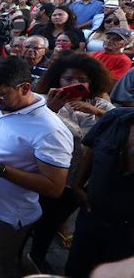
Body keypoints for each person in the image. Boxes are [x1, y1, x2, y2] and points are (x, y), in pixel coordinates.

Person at [0, 57, 73, 278]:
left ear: (25, 88)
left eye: (1, 94)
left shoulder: (50, 130)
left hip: (5, 215)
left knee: (3, 265)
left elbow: (54, 187)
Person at [29, 52, 115, 273]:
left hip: (82, 178)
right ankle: (30, 253)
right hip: (50, 173)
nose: (75, 84)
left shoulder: (100, 104)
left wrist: (96, 112)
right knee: (40, 216)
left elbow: (118, 127)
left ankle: (39, 252)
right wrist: (51, 110)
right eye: (69, 79)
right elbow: (32, 132)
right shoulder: (43, 101)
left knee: (58, 217)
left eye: (82, 80)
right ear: (58, 78)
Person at [66, 107, 134, 277]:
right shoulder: (114, 117)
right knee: (75, 268)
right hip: (90, 216)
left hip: (128, 235)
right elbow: (91, 150)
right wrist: (77, 185)